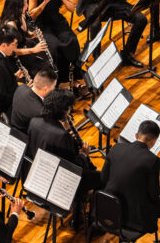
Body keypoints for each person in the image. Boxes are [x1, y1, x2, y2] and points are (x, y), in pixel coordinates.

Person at [27, 90, 100, 228]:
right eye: (69, 108)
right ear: (64, 111)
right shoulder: (62, 136)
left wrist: (64, 130)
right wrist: (84, 154)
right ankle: (83, 219)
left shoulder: (34, 122)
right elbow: (74, 168)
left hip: (38, 174)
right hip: (58, 181)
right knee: (101, 177)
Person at [101, 120, 160, 243]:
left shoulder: (116, 148)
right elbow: (154, 195)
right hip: (135, 219)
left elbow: (103, 179)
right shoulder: (152, 160)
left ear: (136, 135)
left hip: (110, 210)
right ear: (153, 142)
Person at [28, 0, 83, 85]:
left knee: (72, 41)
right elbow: (31, 15)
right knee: (54, 47)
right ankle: (57, 80)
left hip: (57, 20)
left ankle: (73, 76)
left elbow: (72, 8)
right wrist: (44, 3)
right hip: (42, 24)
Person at [0, 0, 48, 78]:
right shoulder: (10, 26)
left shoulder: (21, 15)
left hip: (23, 50)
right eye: (24, 4)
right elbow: (10, 51)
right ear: (17, 6)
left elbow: (22, 34)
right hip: (14, 60)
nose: (27, 6)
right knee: (43, 74)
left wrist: (33, 35)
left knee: (48, 62)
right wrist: (33, 50)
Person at [10, 67, 57, 133]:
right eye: (53, 87)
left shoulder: (21, 88)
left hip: (14, 129)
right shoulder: (41, 112)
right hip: (25, 138)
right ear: (45, 89)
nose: (53, 89)